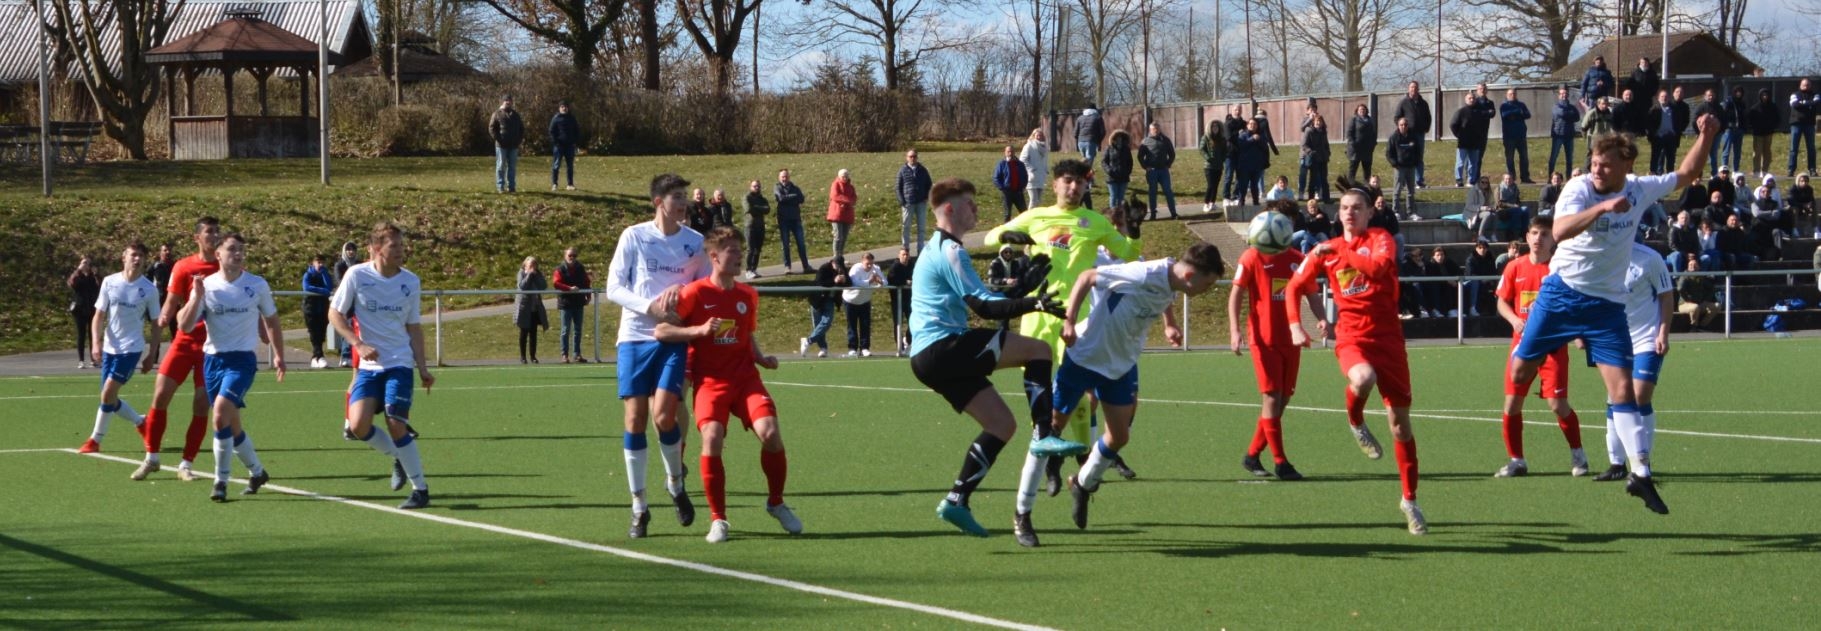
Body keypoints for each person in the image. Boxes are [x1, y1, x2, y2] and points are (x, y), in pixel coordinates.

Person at [1509, 112, 1717, 516]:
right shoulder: (1579, 189)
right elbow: (1560, 230)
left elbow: (1688, 173)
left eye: (1605, 164)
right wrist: (1604, 207)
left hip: (1605, 306)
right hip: (1560, 295)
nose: (1597, 169)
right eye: (1594, 163)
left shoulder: (1639, 188)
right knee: (1518, 374)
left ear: (1627, 165)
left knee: (1623, 392)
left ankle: (1640, 474)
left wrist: (1706, 135)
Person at [910, 176, 1079, 541]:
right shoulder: (950, 251)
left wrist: (1023, 289)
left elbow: (989, 301)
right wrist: (1034, 302)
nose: (976, 209)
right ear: (949, 209)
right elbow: (984, 308)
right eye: (969, 204)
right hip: (944, 347)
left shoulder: (938, 248)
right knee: (1039, 350)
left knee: (1001, 425)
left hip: (931, 358)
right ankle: (1045, 434)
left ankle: (957, 500)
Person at [987, 158, 1145, 524]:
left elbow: (1128, 254)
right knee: (1042, 399)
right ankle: (1052, 462)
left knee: (1081, 396)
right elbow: (990, 236)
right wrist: (1008, 237)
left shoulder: (1095, 223)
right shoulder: (1036, 216)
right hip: (1037, 317)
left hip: (1077, 321)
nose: (1074, 188)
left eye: (1080, 183)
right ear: (1056, 184)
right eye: (1068, 181)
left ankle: (1068, 461)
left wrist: (1135, 230)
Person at [1052, 243, 1225, 537]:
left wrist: (1170, 324)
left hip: (1120, 364)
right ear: (1190, 275)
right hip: (1086, 355)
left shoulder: (1173, 280)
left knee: (1119, 436)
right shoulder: (1143, 273)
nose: (1207, 290)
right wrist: (1068, 321)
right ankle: (1027, 502)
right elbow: (1087, 277)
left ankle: (1082, 483)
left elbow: (1163, 296)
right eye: (1207, 284)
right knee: (1053, 425)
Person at [1284, 185, 1428, 535]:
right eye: (1345, 207)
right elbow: (1293, 286)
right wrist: (1294, 325)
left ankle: (1409, 500)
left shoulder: (1380, 239)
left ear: (1369, 213)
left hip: (1389, 340)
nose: (1350, 212)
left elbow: (1378, 269)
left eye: (1357, 207)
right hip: (1352, 336)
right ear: (1339, 214)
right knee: (1362, 378)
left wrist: (1342, 251)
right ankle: (1355, 419)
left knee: (1400, 426)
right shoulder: (1325, 250)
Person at [654, 226, 800, 543]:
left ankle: (776, 502)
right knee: (712, 438)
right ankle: (718, 519)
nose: (739, 256)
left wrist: (760, 357)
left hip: (745, 379)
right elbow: (662, 331)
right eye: (732, 251)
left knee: (771, 434)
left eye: (740, 250)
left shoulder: (748, 294)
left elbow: (746, 333)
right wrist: (699, 332)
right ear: (714, 256)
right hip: (710, 382)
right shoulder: (694, 293)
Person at [605, 173, 710, 538]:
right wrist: (650, 306)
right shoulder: (634, 236)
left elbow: (705, 287)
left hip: (672, 338)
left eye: (684, 196)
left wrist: (685, 293)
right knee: (635, 419)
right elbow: (613, 287)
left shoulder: (695, 242)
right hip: (634, 338)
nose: (683, 203)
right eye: (676, 197)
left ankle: (676, 484)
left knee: (664, 415)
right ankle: (639, 507)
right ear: (658, 203)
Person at [328, 223, 434, 509]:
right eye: (393, 246)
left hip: (399, 363)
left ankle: (420, 490)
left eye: (401, 245)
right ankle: (398, 457)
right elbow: (335, 314)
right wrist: (358, 344)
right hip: (368, 366)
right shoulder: (357, 275)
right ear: (376, 249)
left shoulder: (410, 281)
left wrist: (423, 368)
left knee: (396, 423)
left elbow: (414, 327)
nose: (401, 251)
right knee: (357, 426)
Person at [174, 232, 282, 503]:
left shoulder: (256, 285)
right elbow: (184, 325)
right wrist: (196, 297)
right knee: (231, 425)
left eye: (241, 249)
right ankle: (257, 472)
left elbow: (271, 320)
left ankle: (220, 481)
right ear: (218, 254)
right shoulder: (206, 286)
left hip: (242, 361)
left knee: (220, 414)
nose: (238, 253)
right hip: (213, 361)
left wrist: (279, 355)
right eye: (232, 249)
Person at [1230, 201, 1321, 481]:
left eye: (1288, 221)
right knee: (1271, 397)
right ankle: (1281, 462)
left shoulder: (1298, 259)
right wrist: (1234, 330)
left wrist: (1324, 319)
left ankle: (1252, 455)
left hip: (1292, 339)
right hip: (1263, 339)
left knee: (1283, 400)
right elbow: (1236, 294)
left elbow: (1312, 294)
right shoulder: (1251, 257)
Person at [1490, 216, 1586, 478]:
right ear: (1527, 236)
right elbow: (1501, 302)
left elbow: (1573, 305)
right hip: (1522, 347)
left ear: (1553, 239)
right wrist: (1514, 320)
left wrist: (1578, 334)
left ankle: (1578, 454)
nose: (1538, 239)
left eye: (1544, 234)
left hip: (1552, 347)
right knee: (1511, 403)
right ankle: (1516, 460)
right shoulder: (1514, 267)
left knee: (1558, 404)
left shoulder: (1559, 269)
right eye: (1534, 233)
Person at [1586, 240, 1675, 500]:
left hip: (1647, 338)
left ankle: (1642, 463)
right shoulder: (1600, 256)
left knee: (1640, 395)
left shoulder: (1650, 258)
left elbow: (1666, 296)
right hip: (1613, 338)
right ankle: (1616, 464)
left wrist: (1663, 332)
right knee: (1616, 397)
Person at [137, 217, 222, 482]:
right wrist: (163, 316)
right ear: (197, 237)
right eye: (209, 232)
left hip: (212, 347)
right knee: (160, 395)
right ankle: (151, 458)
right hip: (184, 342)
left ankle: (186, 464)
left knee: (201, 404)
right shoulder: (184, 266)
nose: (214, 236)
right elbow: (171, 301)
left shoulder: (226, 267)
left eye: (217, 231)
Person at [77, 241, 160, 455]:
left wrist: (152, 354)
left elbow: (156, 324)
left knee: (108, 393)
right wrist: (96, 343)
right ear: (124, 257)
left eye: (141, 255)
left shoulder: (149, 289)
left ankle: (95, 440)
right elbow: (99, 315)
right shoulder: (109, 282)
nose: (137, 259)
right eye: (133, 254)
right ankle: (141, 422)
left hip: (131, 348)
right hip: (110, 347)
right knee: (108, 398)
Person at [552, 247, 592, 364]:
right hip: (566, 303)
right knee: (565, 330)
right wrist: (569, 288)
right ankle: (564, 354)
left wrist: (588, 295)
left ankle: (577, 354)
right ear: (565, 256)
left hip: (578, 302)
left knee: (578, 330)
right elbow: (556, 283)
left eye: (574, 255)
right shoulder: (560, 269)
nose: (572, 258)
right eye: (570, 255)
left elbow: (586, 282)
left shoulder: (580, 268)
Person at [801, 255, 844, 358]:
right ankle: (823, 348)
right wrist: (834, 281)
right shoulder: (824, 268)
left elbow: (849, 283)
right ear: (832, 262)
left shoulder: (842, 270)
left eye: (840, 266)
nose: (839, 268)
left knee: (827, 322)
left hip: (829, 300)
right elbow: (820, 283)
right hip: (817, 299)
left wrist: (844, 280)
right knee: (818, 325)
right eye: (837, 265)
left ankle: (808, 341)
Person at [844, 252, 884, 357]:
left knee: (865, 325)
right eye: (867, 264)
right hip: (851, 300)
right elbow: (854, 282)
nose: (870, 266)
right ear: (862, 262)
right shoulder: (856, 269)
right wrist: (869, 281)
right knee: (852, 325)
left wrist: (880, 282)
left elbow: (885, 282)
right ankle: (852, 348)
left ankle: (864, 348)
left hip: (865, 301)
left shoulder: (876, 269)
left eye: (871, 263)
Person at [1395, 82, 1432, 188]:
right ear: (1408, 89)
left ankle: (1419, 181)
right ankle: (1404, 181)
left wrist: (1426, 128)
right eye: (1411, 87)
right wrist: (1402, 129)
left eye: (1415, 87)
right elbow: (1397, 117)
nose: (1413, 89)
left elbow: (1428, 117)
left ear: (1418, 89)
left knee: (1419, 157)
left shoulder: (1423, 103)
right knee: (1407, 156)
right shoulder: (1404, 102)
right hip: (1408, 134)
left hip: (1420, 134)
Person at [774, 169, 811, 274]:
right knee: (785, 244)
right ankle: (787, 267)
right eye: (782, 177)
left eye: (786, 176)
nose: (784, 178)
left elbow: (801, 199)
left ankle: (806, 266)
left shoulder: (795, 188)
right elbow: (780, 198)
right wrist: (793, 197)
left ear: (789, 177)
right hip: (783, 220)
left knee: (801, 243)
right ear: (779, 178)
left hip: (795, 219)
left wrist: (788, 198)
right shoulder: (777, 187)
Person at [898, 149, 934, 255]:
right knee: (906, 226)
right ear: (907, 158)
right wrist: (902, 201)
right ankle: (905, 249)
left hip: (921, 202)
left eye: (914, 156)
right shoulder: (902, 170)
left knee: (921, 227)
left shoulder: (923, 170)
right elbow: (898, 187)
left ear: (917, 157)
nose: (912, 158)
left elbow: (929, 184)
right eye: (910, 156)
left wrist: (927, 197)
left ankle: (920, 249)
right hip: (908, 203)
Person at [1139, 122, 1178, 218]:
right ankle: (1153, 214)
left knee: (1168, 191)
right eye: (1154, 129)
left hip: (1163, 171)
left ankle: (1173, 213)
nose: (1156, 130)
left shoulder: (1165, 140)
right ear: (1150, 130)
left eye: (1157, 128)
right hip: (1152, 171)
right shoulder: (1145, 141)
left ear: (1160, 129)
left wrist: (1168, 164)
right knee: (1152, 192)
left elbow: (1172, 154)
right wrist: (1145, 167)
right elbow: (1140, 156)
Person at [1451, 92, 1491, 187]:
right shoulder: (1461, 111)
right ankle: (1459, 180)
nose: (1472, 100)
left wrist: (1480, 135)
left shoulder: (1479, 112)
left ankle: (1471, 180)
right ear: (1466, 100)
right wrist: (1459, 135)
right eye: (1469, 98)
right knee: (1460, 163)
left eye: (1473, 98)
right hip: (1463, 142)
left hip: (1475, 142)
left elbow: (1483, 125)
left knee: (1473, 163)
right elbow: (1453, 124)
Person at [68, 256, 101, 369]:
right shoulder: (78, 276)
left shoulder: (94, 277)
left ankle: (94, 359)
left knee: (93, 335)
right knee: (81, 335)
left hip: (92, 308)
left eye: (88, 263)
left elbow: (101, 286)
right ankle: (81, 360)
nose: (86, 265)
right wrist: (78, 270)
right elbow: (71, 283)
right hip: (79, 309)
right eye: (84, 263)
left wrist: (96, 274)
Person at [301, 255, 334, 368]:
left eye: (322, 262)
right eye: (318, 262)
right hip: (310, 308)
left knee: (321, 333)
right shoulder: (308, 274)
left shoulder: (325, 274)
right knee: (314, 333)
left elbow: (329, 287)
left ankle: (316, 358)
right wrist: (323, 291)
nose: (320, 265)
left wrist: (324, 275)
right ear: (313, 263)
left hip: (323, 308)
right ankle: (320, 356)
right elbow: (307, 287)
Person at [488, 95, 524, 193]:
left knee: (512, 167)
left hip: (513, 145)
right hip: (501, 145)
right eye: (506, 100)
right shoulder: (497, 114)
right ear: (503, 102)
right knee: (500, 166)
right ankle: (500, 186)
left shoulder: (516, 115)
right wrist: (499, 139)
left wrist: (518, 140)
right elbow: (491, 128)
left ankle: (511, 187)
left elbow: (521, 129)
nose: (508, 102)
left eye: (510, 101)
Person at [516, 256, 548, 363]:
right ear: (525, 265)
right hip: (524, 308)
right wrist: (529, 275)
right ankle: (523, 357)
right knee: (523, 333)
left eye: (534, 265)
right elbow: (522, 286)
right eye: (531, 265)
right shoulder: (521, 273)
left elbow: (543, 286)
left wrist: (536, 275)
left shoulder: (537, 274)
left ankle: (533, 356)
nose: (533, 267)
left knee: (533, 333)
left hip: (535, 307)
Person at [332, 241, 359, 367]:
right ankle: (345, 356)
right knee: (346, 326)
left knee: (357, 327)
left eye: (353, 249)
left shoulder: (359, 265)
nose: (351, 252)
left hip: (358, 300)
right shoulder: (340, 265)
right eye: (348, 249)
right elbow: (339, 281)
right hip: (345, 300)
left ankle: (355, 356)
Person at [1387, 117, 1421, 214]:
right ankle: (1395, 211)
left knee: (1411, 191)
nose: (1403, 127)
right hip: (1399, 167)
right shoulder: (1394, 137)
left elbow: (1418, 151)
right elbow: (1389, 153)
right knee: (1397, 190)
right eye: (1401, 125)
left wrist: (1416, 161)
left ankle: (1411, 212)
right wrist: (1394, 163)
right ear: (1398, 126)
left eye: (1405, 125)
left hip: (1411, 167)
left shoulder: (1413, 137)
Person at [1675, 257, 1719, 332]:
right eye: (1691, 265)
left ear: (1699, 267)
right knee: (1695, 307)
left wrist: (1706, 299)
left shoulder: (1701, 276)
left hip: (1700, 303)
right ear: (1688, 267)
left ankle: (1702, 326)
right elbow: (1680, 288)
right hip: (1684, 304)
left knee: (1717, 306)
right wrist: (1687, 299)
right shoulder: (1685, 276)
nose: (1693, 267)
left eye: (1695, 265)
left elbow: (1711, 288)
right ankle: (1694, 327)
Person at [1231, 119, 1268, 206]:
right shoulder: (1243, 135)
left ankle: (1256, 201)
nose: (1252, 125)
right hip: (1244, 165)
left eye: (1255, 124)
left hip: (1257, 165)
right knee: (1243, 185)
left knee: (1254, 185)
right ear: (1247, 125)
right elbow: (1241, 146)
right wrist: (1252, 139)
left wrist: (1259, 140)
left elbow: (1265, 147)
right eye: (1251, 124)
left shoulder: (1261, 135)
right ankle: (1241, 200)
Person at [1500, 88, 1534, 183]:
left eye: (1514, 94)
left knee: (1524, 157)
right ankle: (1511, 178)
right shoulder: (1504, 106)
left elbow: (1528, 115)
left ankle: (1525, 177)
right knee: (1510, 158)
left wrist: (1515, 114)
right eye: (1510, 94)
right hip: (1509, 136)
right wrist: (1518, 112)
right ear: (1507, 95)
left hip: (1521, 135)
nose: (1512, 95)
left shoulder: (1521, 104)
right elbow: (1505, 115)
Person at [1647, 90, 1683, 175]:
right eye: (1662, 97)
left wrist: (1676, 133)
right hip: (1658, 137)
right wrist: (1653, 133)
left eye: (1666, 97)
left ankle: (1670, 175)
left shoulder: (1674, 109)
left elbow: (1679, 122)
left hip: (1670, 136)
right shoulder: (1654, 109)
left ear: (1669, 98)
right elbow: (1649, 124)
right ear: (1658, 98)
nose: (1664, 98)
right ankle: (1654, 173)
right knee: (1655, 156)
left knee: (1671, 158)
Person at [1548, 87, 1581, 178]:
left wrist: (1568, 115)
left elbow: (1577, 117)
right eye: (1562, 93)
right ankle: (1550, 177)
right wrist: (1570, 115)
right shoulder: (1556, 107)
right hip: (1558, 135)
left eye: (1566, 93)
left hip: (1569, 135)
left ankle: (1568, 178)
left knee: (1569, 159)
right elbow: (1561, 114)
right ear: (1559, 95)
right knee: (1553, 157)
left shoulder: (1572, 107)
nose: (1564, 95)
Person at [887, 248, 915, 352]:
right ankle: (900, 347)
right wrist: (905, 282)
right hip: (897, 299)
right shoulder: (895, 266)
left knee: (913, 320)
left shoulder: (912, 265)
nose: (905, 256)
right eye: (903, 254)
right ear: (899, 255)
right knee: (898, 323)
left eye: (907, 254)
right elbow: (891, 279)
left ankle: (908, 340)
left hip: (910, 298)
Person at [1747, 88, 1780, 177]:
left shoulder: (1773, 107)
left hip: (1768, 133)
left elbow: (1777, 118)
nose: (1765, 97)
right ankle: (1756, 171)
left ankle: (1765, 170)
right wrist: (1753, 128)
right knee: (1757, 152)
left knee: (1767, 152)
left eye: (1766, 95)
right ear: (1760, 96)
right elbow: (1750, 120)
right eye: (1763, 95)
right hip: (1758, 133)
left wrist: (1773, 127)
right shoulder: (1755, 108)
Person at [740, 180, 770, 279]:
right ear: (750, 187)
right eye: (754, 186)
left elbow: (767, 209)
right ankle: (748, 270)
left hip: (760, 226)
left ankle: (754, 269)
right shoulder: (747, 197)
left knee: (758, 249)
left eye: (758, 186)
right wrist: (760, 209)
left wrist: (756, 207)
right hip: (750, 226)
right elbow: (748, 209)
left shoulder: (762, 198)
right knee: (750, 249)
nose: (756, 188)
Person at [1300, 113, 1332, 203]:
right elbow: (1304, 145)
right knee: (1313, 180)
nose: (1318, 123)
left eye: (1320, 121)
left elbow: (1326, 144)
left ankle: (1326, 199)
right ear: (1313, 122)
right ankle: (1311, 198)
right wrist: (1311, 152)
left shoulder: (1323, 131)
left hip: (1323, 158)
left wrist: (1328, 153)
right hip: (1313, 159)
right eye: (1317, 121)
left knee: (1324, 179)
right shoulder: (1309, 131)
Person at [147, 243, 175, 344]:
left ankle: (176, 351)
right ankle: (154, 352)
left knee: (175, 329)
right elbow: (147, 283)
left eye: (169, 250)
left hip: (172, 300)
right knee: (157, 329)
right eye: (165, 250)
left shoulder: (176, 266)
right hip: (158, 301)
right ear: (160, 252)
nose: (167, 252)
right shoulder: (154, 266)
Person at [1423, 247, 1463, 318]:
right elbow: (1432, 277)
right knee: (1444, 288)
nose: (1440, 257)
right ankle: (1441, 310)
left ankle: (1456, 310)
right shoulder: (1430, 264)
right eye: (1438, 255)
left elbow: (1459, 272)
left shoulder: (1449, 262)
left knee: (1459, 286)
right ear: (1433, 256)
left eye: (1442, 255)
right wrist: (1447, 280)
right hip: (1435, 285)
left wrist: (1455, 281)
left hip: (1450, 284)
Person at [549, 100, 580, 191]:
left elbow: (577, 130)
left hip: (569, 146)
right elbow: (551, 131)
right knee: (556, 165)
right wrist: (555, 141)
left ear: (568, 108)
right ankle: (554, 184)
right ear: (559, 108)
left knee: (570, 166)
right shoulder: (556, 118)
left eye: (565, 107)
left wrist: (574, 141)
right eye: (562, 107)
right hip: (559, 146)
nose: (564, 108)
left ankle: (570, 184)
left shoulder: (572, 118)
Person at [1789, 78, 1817, 177]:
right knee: (1794, 148)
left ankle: (1812, 169)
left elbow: (1816, 103)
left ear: (1810, 86)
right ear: (1800, 85)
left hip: (1809, 124)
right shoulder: (1794, 94)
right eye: (1804, 85)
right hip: (1796, 124)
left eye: (1808, 85)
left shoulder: (1815, 95)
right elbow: (1794, 104)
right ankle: (1791, 169)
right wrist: (1808, 104)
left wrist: (1802, 103)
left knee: (1811, 148)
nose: (1806, 86)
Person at [1201, 117, 1229, 214]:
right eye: (1213, 126)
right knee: (1211, 185)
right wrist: (1208, 158)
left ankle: (1212, 203)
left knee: (1216, 185)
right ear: (1210, 128)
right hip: (1209, 167)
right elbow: (1202, 149)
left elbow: (1225, 150)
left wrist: (1223, 158)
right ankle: (1206, 204)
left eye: (1216, 126)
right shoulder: (1206, 138)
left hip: (1219, 166)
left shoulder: (1222, 139)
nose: (1215, 128)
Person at [993, 146, 1029, 221]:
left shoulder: (1020, 164)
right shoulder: (1002, 164)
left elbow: (1025, 176)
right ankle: (1006, 227)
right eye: (1008, 152)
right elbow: (996, 178)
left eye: (1012, 151)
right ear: (1005, 153)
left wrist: (1023, 186)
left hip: (1018, 192)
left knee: (1024, 213)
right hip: (1007, 193)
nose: (1010, 153)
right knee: (1007, 214)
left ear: (1014, 152)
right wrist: (1003, 188)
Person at [827, 169, 857, 258]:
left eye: (846, 176)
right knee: (838, 236)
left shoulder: (850, 186)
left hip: (847, 214)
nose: (845, 178)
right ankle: (836, 256)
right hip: (837, 213)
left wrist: (851, 201)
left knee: (844, 236)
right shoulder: (835, 184)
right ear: (839, 176)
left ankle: (841, 255)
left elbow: (854, 197)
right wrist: (848, 201)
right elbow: (835, 196)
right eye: (843, 176)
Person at [1464, 238, 1498, 316]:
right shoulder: (1471, 259)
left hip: (1487, 281)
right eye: (1480, 248)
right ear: (1476, 248)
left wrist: (1489, 280)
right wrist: (1481, 280)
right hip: (1471, 282)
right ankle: (1473, 308)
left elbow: (1493, 272)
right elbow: (1470, 274)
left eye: (1484, 248)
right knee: (1475, 282)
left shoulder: (1490, 258)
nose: (1482, 250)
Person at [1580, 97, 1616, 168]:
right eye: (1603, 104)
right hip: (1594, 141)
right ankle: (1586, 171)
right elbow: (1583, 127)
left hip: (1606, 140)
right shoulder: (1592, 113)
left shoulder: (1610, 114)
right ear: (1598, 104)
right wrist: (1585, 137)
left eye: (1606, 104)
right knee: (1591, 158)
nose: (1605, 106)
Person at [1102, 129, 1135, 208]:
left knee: (1121, 197)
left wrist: (1127, 172)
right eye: (1117, 138)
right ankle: (1113, 213)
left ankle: (1120, 213)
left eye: (1121, 138)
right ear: (1113, 138)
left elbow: (1130, 162)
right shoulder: (1109, 148)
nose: (1119, 140)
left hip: (1123, 177)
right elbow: (1104, 162)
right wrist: (1109, 171)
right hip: (1112, 177)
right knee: (1113, 196)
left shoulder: (1126, 149)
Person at [1719, 86, 1748, 174]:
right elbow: (1723, 114)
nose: (1739, 93)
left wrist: (1744, 127)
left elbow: (1744, 116)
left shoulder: (1742, 103)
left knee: (1737, 152)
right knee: (1726, 151)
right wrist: (1726, 125)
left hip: (1739, 130)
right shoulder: (1729, 101)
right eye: (1737, 91)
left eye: (1740, 92)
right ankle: (1724, 169)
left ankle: (1735, 170)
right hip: (1729, 129)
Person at [1345, 104, 1376, 182]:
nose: (1362, 111)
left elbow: (1373, 133)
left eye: (1364, 109)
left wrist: (1373, 144)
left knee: (1367, 172)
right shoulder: (1354, 120)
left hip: (1367, 150)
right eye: (1360, 109)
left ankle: (1367, 187)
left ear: (1366, 110)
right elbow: (1349, 133)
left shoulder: (1370, 120)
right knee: (1352, 171)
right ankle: (1350, 186)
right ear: (1357, 111)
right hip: (1356, 150)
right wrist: (1353, 144)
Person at [1022, 128, 1050, 208]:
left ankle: (1036, 215)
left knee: (1038, 201)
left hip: (1041, 177)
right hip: (1031, 177)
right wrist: (1031, 169)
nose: (1039, 137)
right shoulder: (1029, 146)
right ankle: (1029, 215)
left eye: (1041, 135)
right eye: (1037, 135)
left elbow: (1044, 161)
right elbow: (1023, 159)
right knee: (1033, 200)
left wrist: (1046, 169)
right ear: (1033, 136)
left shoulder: (1045, 147)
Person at [1496, 173, 1527, 240]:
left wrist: (1518, 205)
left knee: (1525, 209)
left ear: (1513, 180)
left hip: (1515, 208)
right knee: (1516, 211)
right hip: (1502, 211)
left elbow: (1517, 200)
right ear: (1503, 180)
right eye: (1506, 179)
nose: (1508, 180)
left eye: (1510, 179)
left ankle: (1524, 232)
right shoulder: (1499, 188)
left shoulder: (1515, 187)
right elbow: (1499, 203)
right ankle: (1510, 232)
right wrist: (1512, 206)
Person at [1466, 176, 1497, 241]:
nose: (1484, 184)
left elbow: (1492, 203)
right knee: (1487, 214)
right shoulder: (1473, 192)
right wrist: (1483, 208)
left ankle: (1493, 235)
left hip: (1484, 211)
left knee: (1494, 214)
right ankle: (1480, 235)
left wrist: (1492, 207)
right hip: (1474, 213)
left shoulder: (1488, 192)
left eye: (1486, 182)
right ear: (1479, 183)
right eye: (1482, 182)